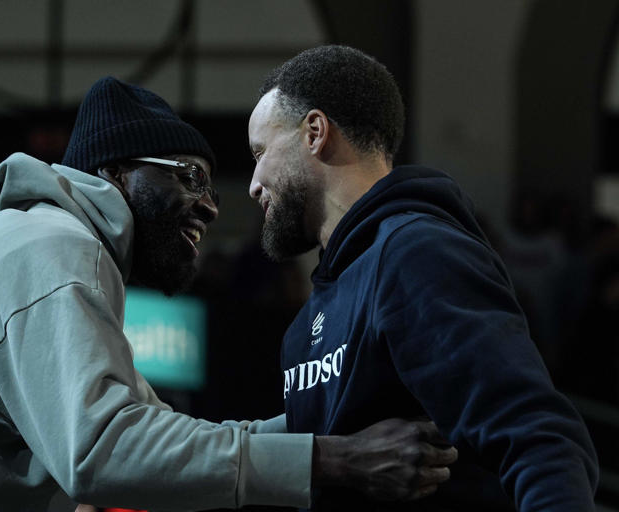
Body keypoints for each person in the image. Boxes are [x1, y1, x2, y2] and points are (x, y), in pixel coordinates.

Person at [0, 76, 457, 512]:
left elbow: (164, 440)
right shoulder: (51, 246)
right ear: (114, 173)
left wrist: (330, 423)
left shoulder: (61, 249)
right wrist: (334, 460)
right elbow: (104, 452)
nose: (213, 203)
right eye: (189, 176)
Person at [247, 45, 599, 511]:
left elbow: (537, 437)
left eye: (260, 152)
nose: (253, 183)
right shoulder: (307, 321)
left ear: (315, 132)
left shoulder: (415, 254)